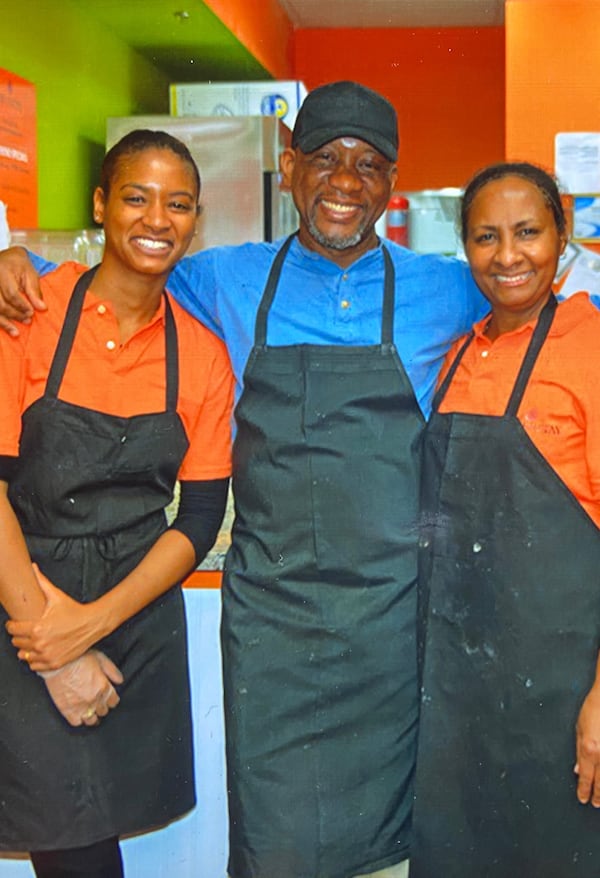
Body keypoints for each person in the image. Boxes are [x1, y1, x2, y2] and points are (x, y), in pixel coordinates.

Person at [0, 82, 488, 878]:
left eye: (368, 165)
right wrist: (13, 263)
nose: (345, 181)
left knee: (389, 840)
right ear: (289, 169)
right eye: (325, 159)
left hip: (389, 613)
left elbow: (542, 303)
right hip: (273, 617)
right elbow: (109, 277)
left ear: (391, 184)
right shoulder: (226, 279)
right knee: (275, 841)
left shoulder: (448, 288)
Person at [0, 129, 233, 877]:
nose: (157, 220)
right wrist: (51, 638)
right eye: (136, 197)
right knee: (72, 850)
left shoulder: (201, 354)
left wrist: (91, 625)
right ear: (101, 205)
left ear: (198, 221)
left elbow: (198, 519)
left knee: (93, 845)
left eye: (179, 204)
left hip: (133, 625)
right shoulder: (26, 317)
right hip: (22, 602)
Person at [410, 162, 600, 877]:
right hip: (460, 693)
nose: (509, 255)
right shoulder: (459, 353)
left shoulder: (591, 347)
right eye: (486, 237)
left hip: (563, 692)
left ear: (564, 233)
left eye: (528, 232)